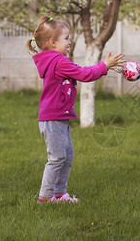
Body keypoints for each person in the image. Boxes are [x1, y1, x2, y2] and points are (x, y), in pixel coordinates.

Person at [26, 16, 125, 203]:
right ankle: (45, 197)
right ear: (53, 42)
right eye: (66, 38)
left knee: (67, 156)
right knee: (56, 158)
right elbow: (84, 74)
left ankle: (59, 193)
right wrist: (105, 66)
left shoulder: (54, 59)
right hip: (52, 118)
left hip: (58, 117)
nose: (69, 42)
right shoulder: (58, 61)